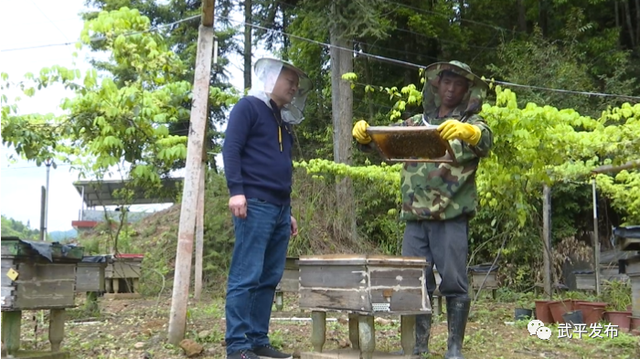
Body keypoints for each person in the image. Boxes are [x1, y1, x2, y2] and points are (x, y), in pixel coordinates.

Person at [351, 61, 493, 359]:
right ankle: (418, 348)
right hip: (414, 217)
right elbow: (384, 143)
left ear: (467, 90)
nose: (451, 89)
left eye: (458, 84)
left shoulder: (472, 122)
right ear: (436, 86)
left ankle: (454, 349)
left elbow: (486, 141)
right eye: (446, 83)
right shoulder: (415, 122)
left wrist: (469, 132)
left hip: (450, 216)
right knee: (415, 283)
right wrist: (364, 137)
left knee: (454, 281)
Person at [222, 57, 313, 359]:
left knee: (270, 277)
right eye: (290, 80)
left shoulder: (280, 120)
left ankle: (258, 340)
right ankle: (237, 346)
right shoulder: (247, 107)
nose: (294, 87)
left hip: (277, 208)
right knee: (246, 275)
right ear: (272, 78)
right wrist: (236, 191)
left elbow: (281, 168)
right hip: (254, 204)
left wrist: (287, 210)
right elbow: (231, 148)